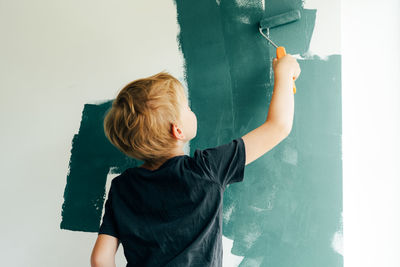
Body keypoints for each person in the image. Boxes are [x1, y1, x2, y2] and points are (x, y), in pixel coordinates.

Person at [90, 54, 301, 267]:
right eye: (186, 107)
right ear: (178, 130)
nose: (191, 109)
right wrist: (284, 73)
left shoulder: (122, 187)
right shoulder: (207, 168)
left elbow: (101, 259)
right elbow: (278, 126)